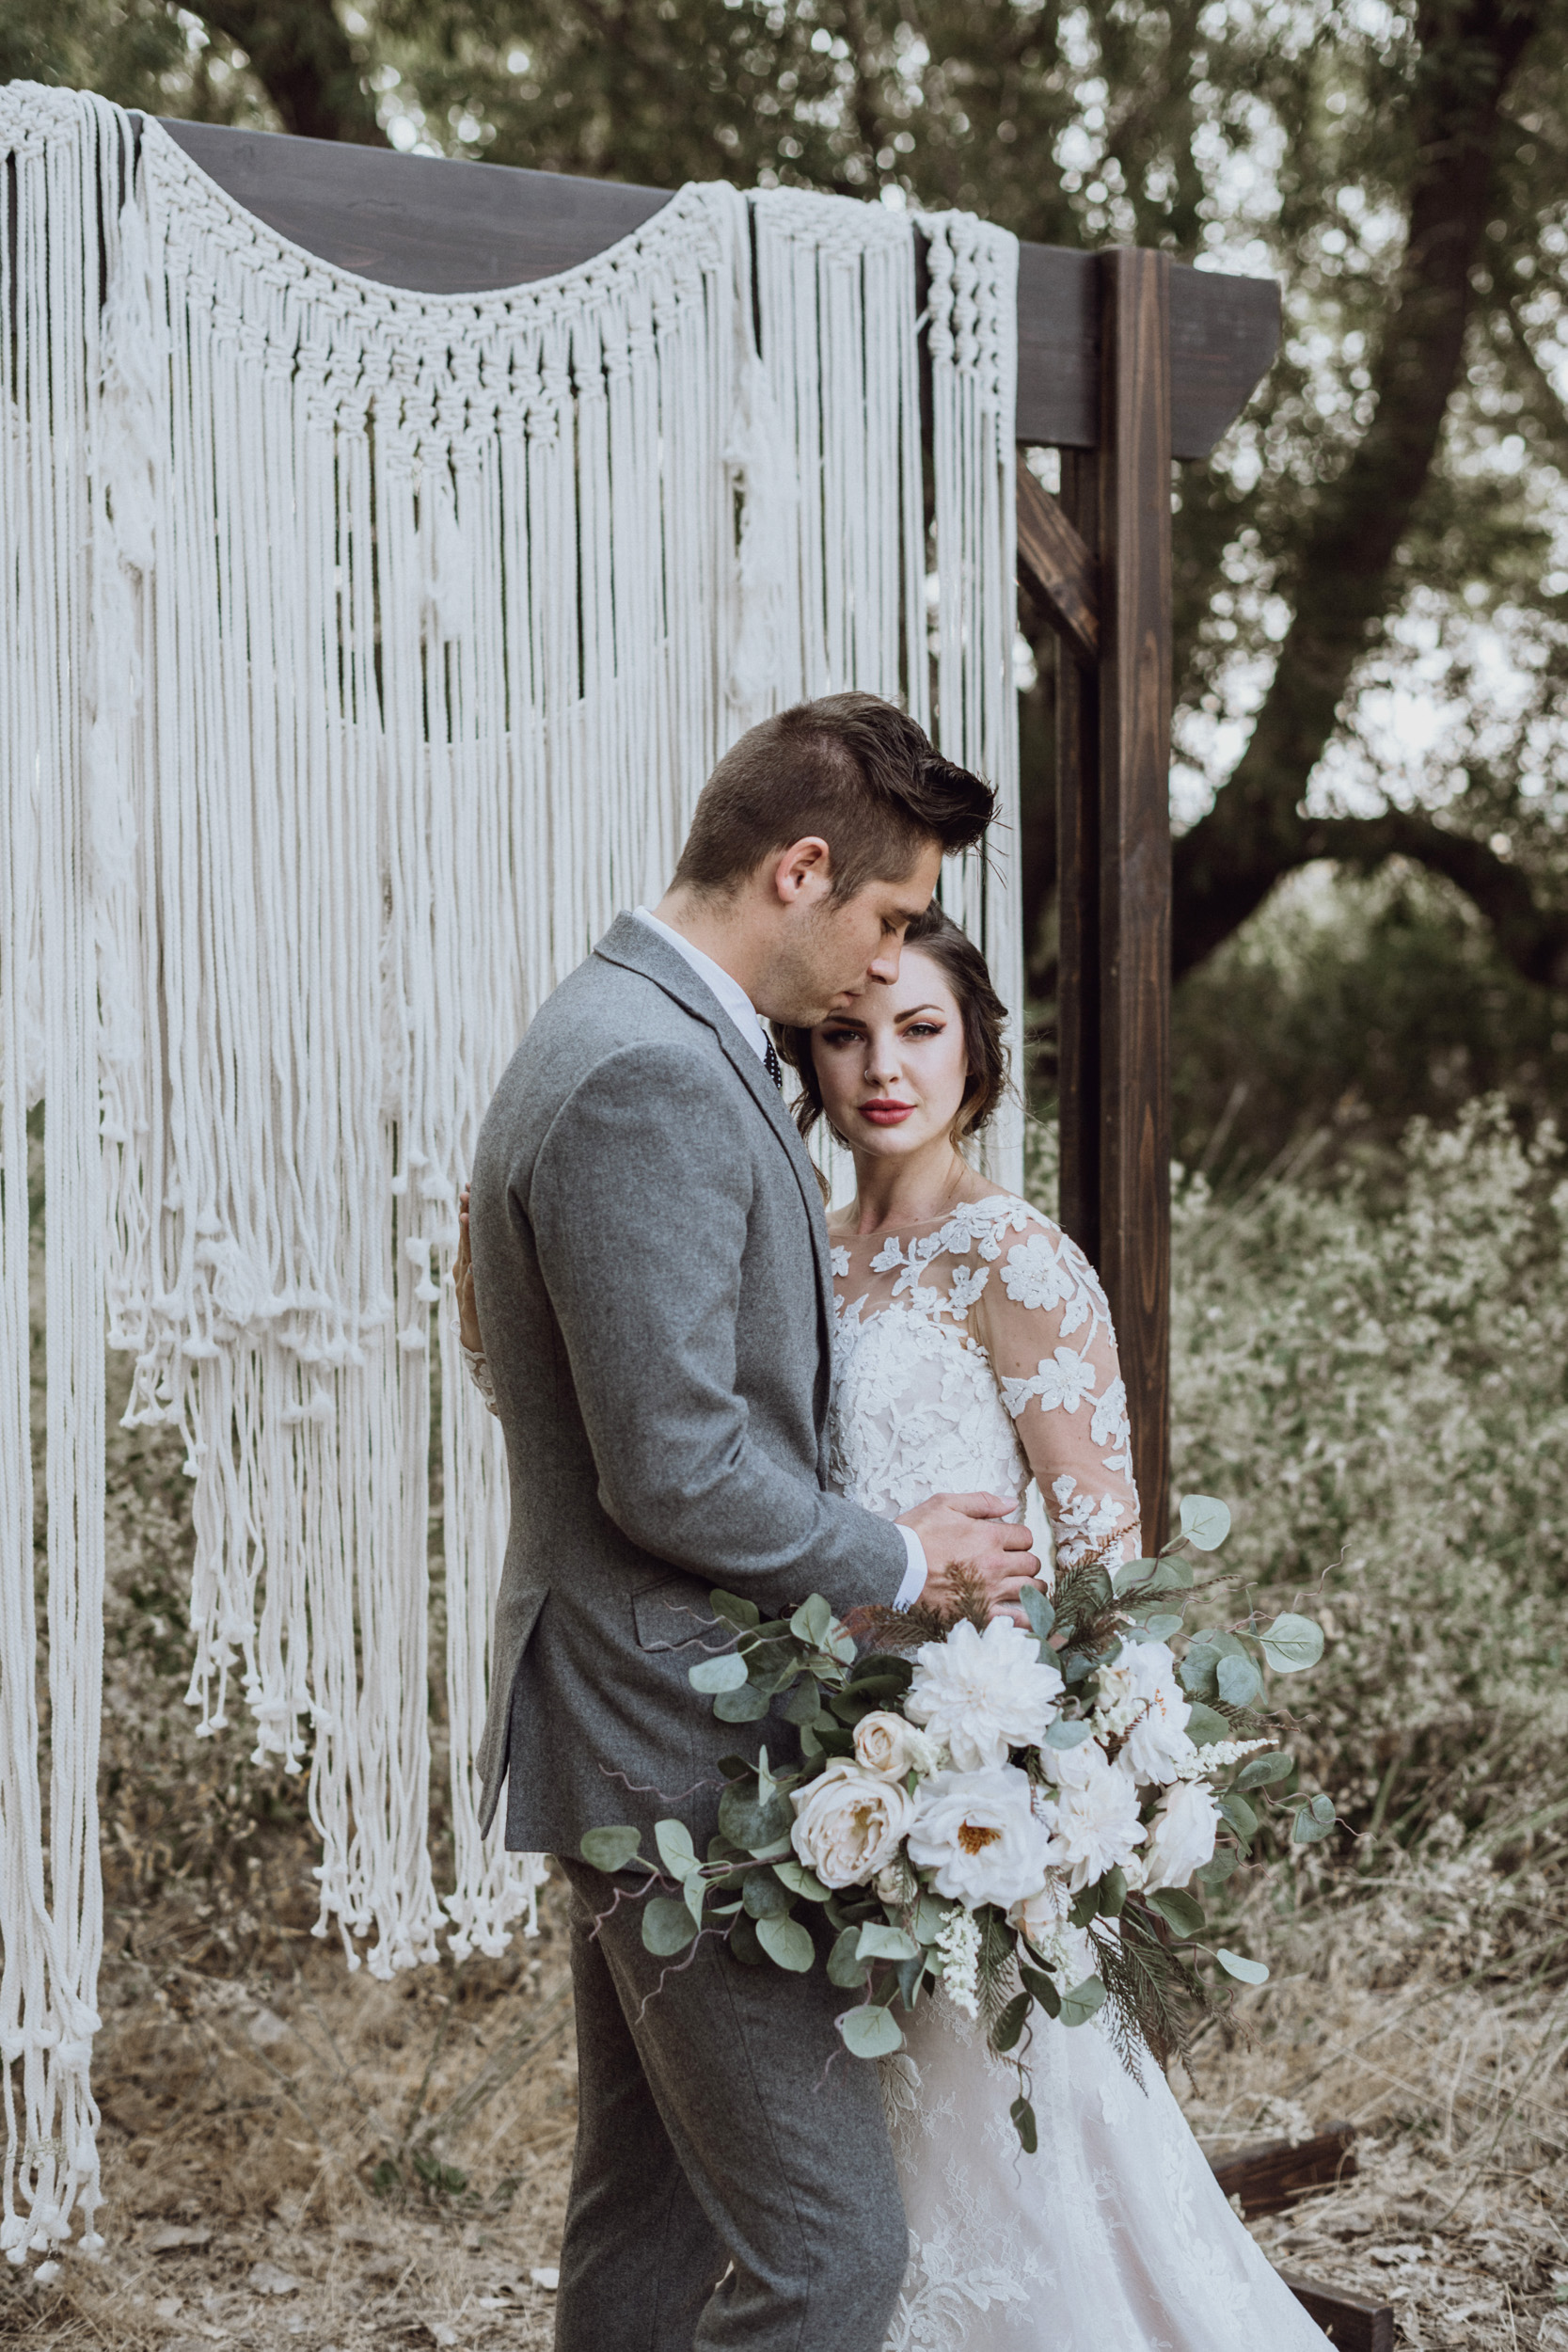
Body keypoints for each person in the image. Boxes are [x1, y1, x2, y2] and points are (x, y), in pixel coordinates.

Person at [460, 889, 1336, 2352]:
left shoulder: (1017, 1262)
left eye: (921, 1030)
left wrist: (1050, 1774)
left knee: (959, 2194)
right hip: (785, 1768)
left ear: (976, 1052)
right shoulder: (791, 1235)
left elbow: (1097, 1556)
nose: (884, 1065)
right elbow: (695, 1465)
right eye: (848, 1031)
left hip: (955, 1776)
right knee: (777, 2190)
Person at [462, 692, 1040, 2352]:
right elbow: (675, 1467)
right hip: (665, 1737)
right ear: (800, 872)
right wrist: (907, 1559)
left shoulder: (642, 1034)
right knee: (828, 2258)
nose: (884, 965)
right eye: (886, 917)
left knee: (644, 2226)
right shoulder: (643, 1072)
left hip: (643, 1710)